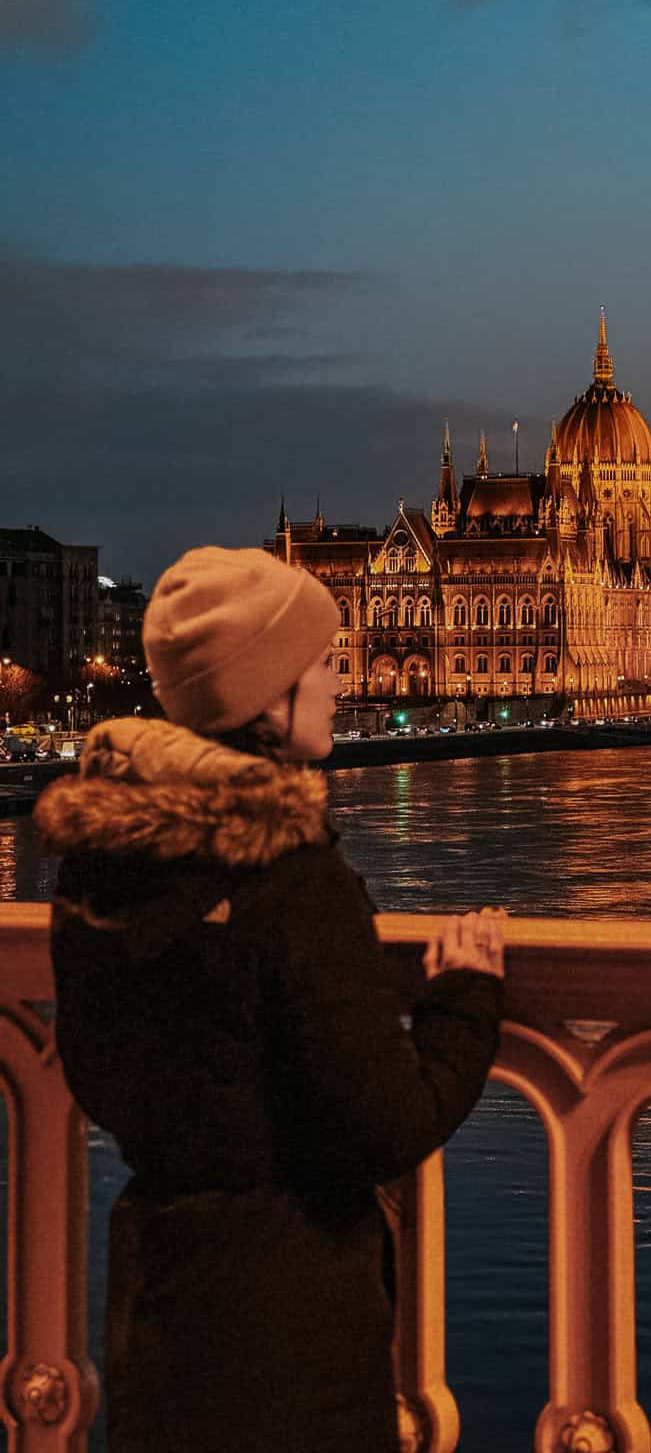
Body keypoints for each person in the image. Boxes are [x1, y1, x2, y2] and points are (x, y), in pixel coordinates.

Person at [35, 546, 505, 1453]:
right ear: (267, 694)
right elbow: (388, 1122)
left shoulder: (95, 867)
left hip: (155, 1304)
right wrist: (464, 1001)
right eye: (321, 663)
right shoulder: (290, 876)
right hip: (291, 1329)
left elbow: (98, 1075)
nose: (338, 683)